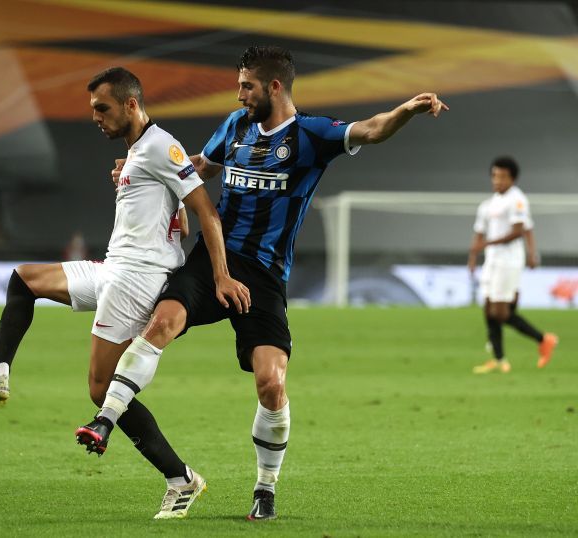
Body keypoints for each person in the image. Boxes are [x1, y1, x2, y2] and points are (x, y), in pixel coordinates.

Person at [76, 45, 449, 520]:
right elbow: (198, 167)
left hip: (266, 277)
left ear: (274, 86)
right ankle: (105, 421)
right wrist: (139, 170)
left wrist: (408, 110)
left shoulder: (312, 135)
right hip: (214, 263)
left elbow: (372, 129)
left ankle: (265, 488)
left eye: (246, 86)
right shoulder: (235, 127)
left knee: (272, 385)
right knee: (163, 321)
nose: (239, 95)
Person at [0, 66, 250, 519]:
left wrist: (221, 275)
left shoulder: (162, 147)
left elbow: (206, 212)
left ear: (130, 104)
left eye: (101, 108)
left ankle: (180, 479)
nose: (95, 117)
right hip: (113, 268)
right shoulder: (138, 153)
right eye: (92, 109)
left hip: (137, 279)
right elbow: (179, 220)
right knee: (23, 280)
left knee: (100, 388)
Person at [469, 156, 558, 374]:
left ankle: (543, 339)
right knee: (489, 309)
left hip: (508, 261)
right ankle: (499, 360)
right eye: (494, 176)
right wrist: (473, 257)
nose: (497, 180)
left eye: (502, 176)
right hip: (492, 259)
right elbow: (480, 233)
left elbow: (520, 230)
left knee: (500, 312)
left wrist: (531, 252)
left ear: (513, 178)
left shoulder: (517, 199)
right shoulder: (490, 203)